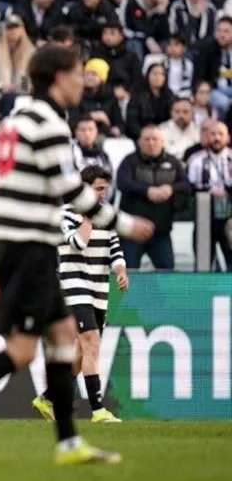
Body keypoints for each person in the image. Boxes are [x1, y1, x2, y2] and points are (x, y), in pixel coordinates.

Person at [0, 44, 154, 467]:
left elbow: (14, 185)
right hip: (27, 245)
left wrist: (0, 249)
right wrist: (130, 226)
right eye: (78, 73)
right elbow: (73, 193)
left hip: (18, 242)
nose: (83, 80)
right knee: (23, 351)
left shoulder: (19, 117)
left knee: (61, 338)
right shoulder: (48, 122)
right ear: (59, 76)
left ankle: (67, 443)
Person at [32, 166, 128, 425]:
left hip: (99, 289)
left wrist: (120, 270)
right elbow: (77, 243)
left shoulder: (108, 216)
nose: (102, 195)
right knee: (91, 342)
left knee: (80, 352)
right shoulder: (63, 214)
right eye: (98, 189)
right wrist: (87, 214)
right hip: (73, 287)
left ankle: (47, 398)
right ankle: (98, 411)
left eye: (105, 190)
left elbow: (115, 250)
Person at [116, 125, 189, 269]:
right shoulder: (129, 161)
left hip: (161, 233)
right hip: (132, 232)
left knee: (167, 275)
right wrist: (147, 191)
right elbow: (122, 183)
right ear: (139, 142)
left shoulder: (173, 162)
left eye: (155, 139)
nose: (151, 143)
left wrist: (171, 188)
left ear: (162, 141)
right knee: (128, 276)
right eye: (146, 139)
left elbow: (186, 185)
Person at [186, 122, 232, 270]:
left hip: (230, 218)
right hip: (204, 217)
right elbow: (188, 187)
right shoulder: (195, 159)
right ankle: (203, 292)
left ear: (228, 137)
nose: (216, 138)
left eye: (220, 134)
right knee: (203, 264)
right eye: (213, 134)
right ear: (206, 137)